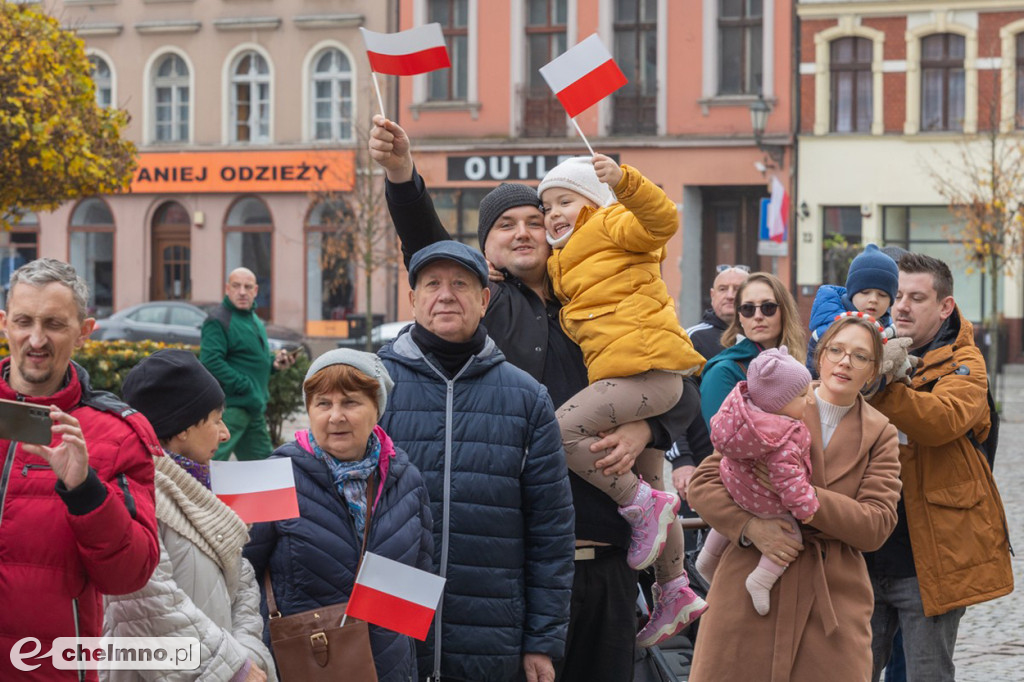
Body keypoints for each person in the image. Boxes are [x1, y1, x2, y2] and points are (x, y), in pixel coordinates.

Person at [371, 115, 678, 681]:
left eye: (535, 221)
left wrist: (648, 430)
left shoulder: (601, 302)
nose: (522, 232)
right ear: (483, 249)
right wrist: (400, 173)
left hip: (609, 559)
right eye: (505, 225)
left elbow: (675, 379)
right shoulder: (486, 308)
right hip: (521, 570)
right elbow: (427, 243)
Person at [378, 241, 575, 682]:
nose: (446, 295)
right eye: (432, 284)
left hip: (491, 631)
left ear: (484, 300)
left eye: (460, 284)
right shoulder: (374, 387)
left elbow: (551, 530)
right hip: (390, 627)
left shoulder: (527, 399)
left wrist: (542, 640)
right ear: (413, 299)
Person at [537, 155, 707, 647]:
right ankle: (673, 588)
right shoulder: (563, 260)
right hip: (630, 378)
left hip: (646, 371)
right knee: (655, 483)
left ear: (593, 200)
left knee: (558, 431)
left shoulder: (611, 222)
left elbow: (661, 221)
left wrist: (625, 182)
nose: (554, 213)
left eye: (565, 200)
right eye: (547, 206)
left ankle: (636, 501)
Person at [687, 314, 903, 681]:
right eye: (836, 350)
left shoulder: (880, 434)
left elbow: (876, 525)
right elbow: (705, 482)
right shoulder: (778, 400)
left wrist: (805, 498)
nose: (845, 362)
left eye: (860, 356)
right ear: (821, 355)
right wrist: (750, 527)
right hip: (747, 586)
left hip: (832, 597)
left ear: (873, 371)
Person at [0, 258, 160, 680]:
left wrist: (85, 490)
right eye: (24, 321)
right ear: (4, 324)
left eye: (54, 324)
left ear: (84, 331)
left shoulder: (117, 435)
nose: (36, 339)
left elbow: (130, 575)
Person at [865, 253, 1013, 682]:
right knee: (849, 671)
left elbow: (941, 420)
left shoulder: (966, 363)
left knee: (926, 675)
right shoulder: (869, 348)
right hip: (863, 554)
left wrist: (877, 386)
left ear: (945, 306)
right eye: (897, 296)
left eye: (917, 298)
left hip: (929, 560)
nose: (902, 306)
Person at [244, 349, 433, 682]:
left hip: (387, 669)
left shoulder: (406, 480)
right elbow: (239, 578)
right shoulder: (271, 475)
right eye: (323, 403)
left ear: (377, 409)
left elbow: (415, 589)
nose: (335, 416)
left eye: (350, 402)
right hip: (302, 665)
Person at [107, 350, 275, 681]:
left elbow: (241, 583)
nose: (225, 434)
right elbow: (151, 611)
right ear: (183, 428)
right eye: (215, 420)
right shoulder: (134, 499)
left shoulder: (199, 490)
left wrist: (247, 656)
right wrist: (231, 669)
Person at [695, 346, 815, 616]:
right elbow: (788, 479)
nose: (808, 400)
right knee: (790, 533)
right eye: (801, 396)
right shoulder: (784, 435)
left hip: (735, 488)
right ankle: (761, 580)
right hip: (764, 501)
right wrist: (805, 507)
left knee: (724, 525)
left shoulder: (743, 416)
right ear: (778, 403)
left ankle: (706, 561)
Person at [200, 267, 294, 461]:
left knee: (264, 466)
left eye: (248, 287)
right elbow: (211, 362)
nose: (242, 292)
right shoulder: (218, 320)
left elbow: (251, 359)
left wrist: (274, 364)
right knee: (211, 464)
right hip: (231, 408)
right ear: (227, 289)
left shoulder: (253, 318)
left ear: (256, 290)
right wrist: (246, 386)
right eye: (236, 286)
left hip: (253, 408)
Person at [699, 272, 806, 428]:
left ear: (784, 311)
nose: (758, 316)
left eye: (768, 307)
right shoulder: (723, 371)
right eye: (748, 309)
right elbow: (724, 437)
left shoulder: (798, 361)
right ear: (740, 317)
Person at [806, 243, 900, 376]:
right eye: (865, 292)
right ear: (851, 293)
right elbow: (812, 376)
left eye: (883, 295)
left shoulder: (891, 330)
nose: (873, 299)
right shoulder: (828, 330)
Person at [687, 265, 750, 361]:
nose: (730, 296)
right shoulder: (692, 338)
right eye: (723, 289)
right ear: (712, 295)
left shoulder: (761, 334)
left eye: (737, 289)